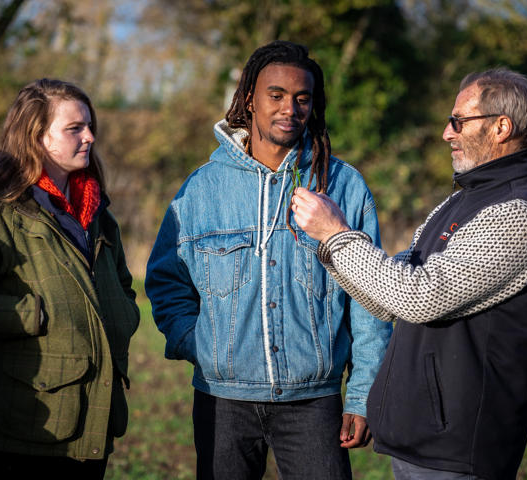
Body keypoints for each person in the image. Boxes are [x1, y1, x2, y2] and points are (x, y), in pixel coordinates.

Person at [291, 68, 527, 480]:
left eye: (459, 121)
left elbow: (418, 296)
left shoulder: (516, 215)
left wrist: (337, 233)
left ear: (501, 126)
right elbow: (388, 294)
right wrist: (330, 247)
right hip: (425, 442)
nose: (446, 134)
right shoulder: (461, 202)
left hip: (460, 451)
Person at [145, 40, 392, 479]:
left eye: (302, 98)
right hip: (222, 402)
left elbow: (370, 298)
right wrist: (203, 346)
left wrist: (361, 395)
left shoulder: (344, 187)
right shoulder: (201, 190)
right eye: (275, 95)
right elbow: (167, 282)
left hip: (313, 402)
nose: (289, 108)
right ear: (248, 100)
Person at [0, 79, 140, 479]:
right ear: (37, 137)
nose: (90, 137)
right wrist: (36, 314)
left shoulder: (99, 214)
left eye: (89, 125)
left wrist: (123, 314)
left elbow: (123, 287)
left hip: (93, 423)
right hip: (26, 428)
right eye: (75, 128)